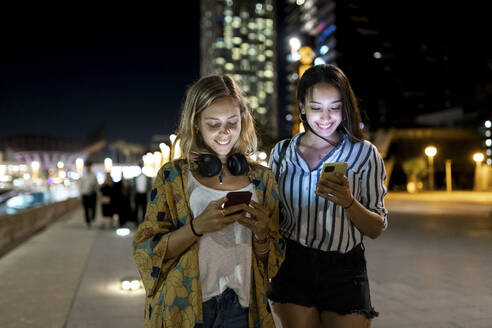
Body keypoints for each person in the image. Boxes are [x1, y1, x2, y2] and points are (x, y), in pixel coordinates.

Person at [133, 74, 285, 328]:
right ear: (196, 124)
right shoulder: (173, 177)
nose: (225, 133)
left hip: (243, 306)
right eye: (213, 124)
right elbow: (147, 249)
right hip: (187, 307)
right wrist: (197, 227)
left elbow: (273, 261)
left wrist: (261, 235)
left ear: (243, 121)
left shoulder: (262, 179)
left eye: (232, 123)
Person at [268, 64, 388, 328]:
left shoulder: (364, 153)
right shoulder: (281, 153)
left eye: (334, 107)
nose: (326, 117)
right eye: (316, 107)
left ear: (345, 107)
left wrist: (348, 202)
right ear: (301, 106)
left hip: (344, 268)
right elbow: (273, 217)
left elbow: (376, 227)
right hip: (293, 264)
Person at [79, 161, 98, 228]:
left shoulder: (94, 175)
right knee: (86, 209)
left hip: (93, 194)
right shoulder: (83, 176)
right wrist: (80, 196)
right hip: (85, 194)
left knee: (93, 208)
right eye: (87, 166)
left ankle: (92, 218)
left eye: (89, 166)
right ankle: (88, 222)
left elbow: (96, 185)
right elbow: (80, 186)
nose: (88, 168)